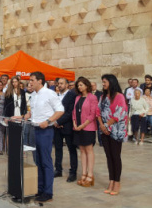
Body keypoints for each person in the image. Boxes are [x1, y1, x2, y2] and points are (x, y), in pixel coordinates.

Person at [21, 72, 64, 203]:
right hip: (34, 129)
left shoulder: (49, 93)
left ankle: (48, 192)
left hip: (45, 131)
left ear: (40, 81)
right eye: (29, 80)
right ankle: (39, 189)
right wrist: (22, 117)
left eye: (32, 80)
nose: (30, 83)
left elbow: (60, 110)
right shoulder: (33, 95)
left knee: (46, 162)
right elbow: (32, 112)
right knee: (37, 162)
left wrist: (48, 121)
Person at [97, 74, 128, 195]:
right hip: (104, 130)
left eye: (104, 82)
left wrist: (107, 125)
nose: (103, 84)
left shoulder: (119, 96)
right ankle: (111, 180)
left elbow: (120, 113)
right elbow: (97, 111)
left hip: (115, 131)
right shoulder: (103, 96)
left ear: (111, 82)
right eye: (102, 82)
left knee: (115, 156)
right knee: (108, 157)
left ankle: (117, 182)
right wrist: (101, 125)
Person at [72, 77, 98, 187]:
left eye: (81, 85)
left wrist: (82, 125)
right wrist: (74, 124)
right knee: (82, 150)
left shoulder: (93, 97)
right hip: (77, 127)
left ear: (87, 86)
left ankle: (90, 175)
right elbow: (74, 112)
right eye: (78, 85)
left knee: (89, 149)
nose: (79, 87)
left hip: (88, 127)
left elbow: (92, 114)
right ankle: (83, 173)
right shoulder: (77, 98)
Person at [54, 78, 78, 183]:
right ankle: (58, 169)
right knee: (58, 149)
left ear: (67, 85)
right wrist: (55, 122)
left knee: (71, 149)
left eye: (62, 83)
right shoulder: (55, 95)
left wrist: (59, 122)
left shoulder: (72, 95)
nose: (59, 85)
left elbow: (70, 112)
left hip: (67, 126)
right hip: (56, 126)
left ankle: (73, 172)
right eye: (58, 83)